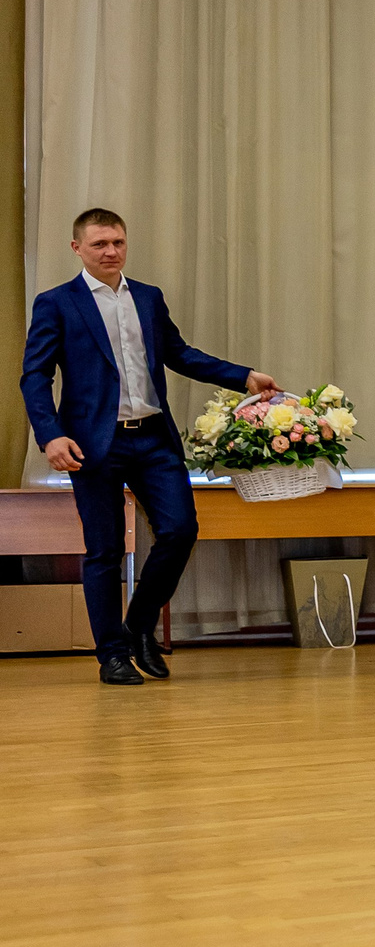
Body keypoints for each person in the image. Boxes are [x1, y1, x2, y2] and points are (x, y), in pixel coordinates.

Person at [20, 208, 275, 685]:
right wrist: (50, 434)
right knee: (105, 551)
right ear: (77, 248)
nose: (110, 251)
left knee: (180, 531)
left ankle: (138, 627)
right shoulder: (56, 303)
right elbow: (35, 375)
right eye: (99, 244)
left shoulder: (149, 298)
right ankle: (111, 656)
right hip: (93, 444)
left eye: (117, 242)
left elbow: (179, 354)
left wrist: (243, 376)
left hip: (154, 437)